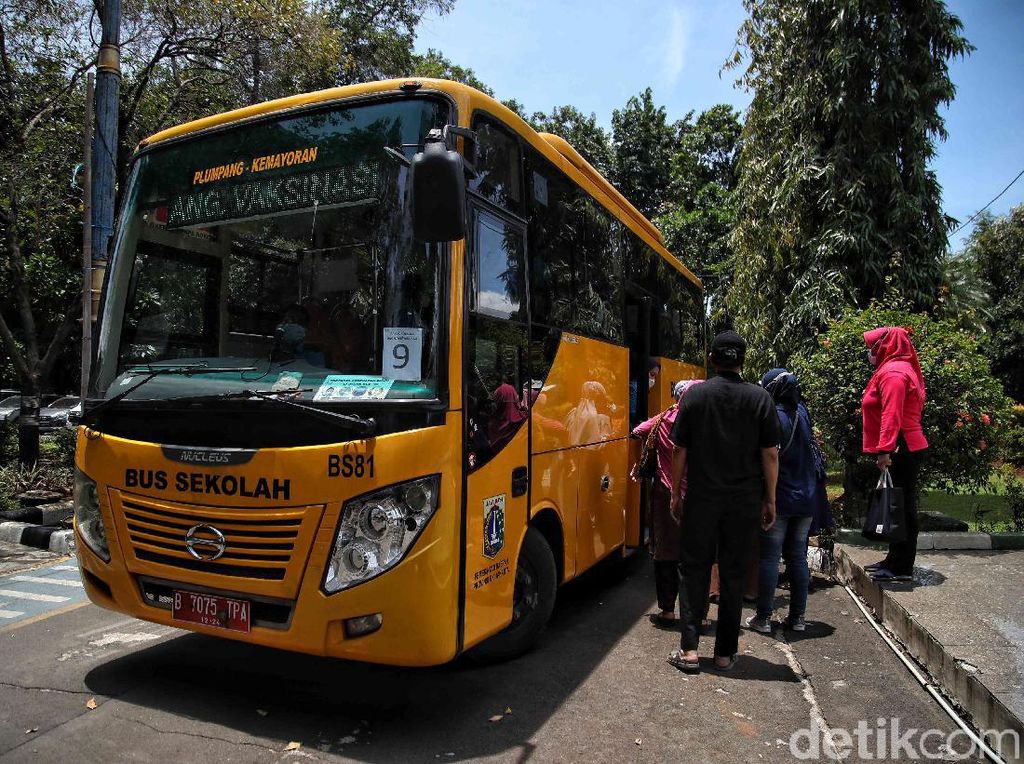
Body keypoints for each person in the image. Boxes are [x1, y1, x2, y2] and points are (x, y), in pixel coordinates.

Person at [666, 330, 780, 674]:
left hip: (702, 497)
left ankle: (688, 650)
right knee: (733, 574)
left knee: (693, 569)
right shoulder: (760, 399)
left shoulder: (696, 397)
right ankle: (724, 655)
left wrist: (675, 492)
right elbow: (770, 455)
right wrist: (770, 499)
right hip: (744, 502)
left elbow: (679, 449)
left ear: (712, 360)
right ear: (742, 362)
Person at [745, 369, 824, 634]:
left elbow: (768, 457)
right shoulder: (803, 413)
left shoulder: (773, 417)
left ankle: (764, 618)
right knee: (797, 557)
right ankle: (798, 618)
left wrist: (767, 498)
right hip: (807, 498)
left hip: (780, 497)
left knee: (770, 558)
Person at [631, 379, 704, 628]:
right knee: (696, 556)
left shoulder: (664, 419)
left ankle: (667, 610)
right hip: (699, 495)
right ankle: (699, 613)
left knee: (665, 553)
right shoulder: (706, 422)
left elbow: (638, 430)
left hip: (666, 493)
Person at [861, 327, 929, 581]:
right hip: (903, 444)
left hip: (902, 445)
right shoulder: (896, 368)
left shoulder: (894, 373)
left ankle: (901, 567)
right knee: (896, 504)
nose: (870, 352)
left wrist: (885, 451)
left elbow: (892, 415)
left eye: (873, 346)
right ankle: (894, 558)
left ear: (885, 345)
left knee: (902, 506)